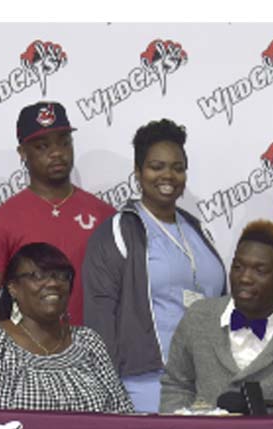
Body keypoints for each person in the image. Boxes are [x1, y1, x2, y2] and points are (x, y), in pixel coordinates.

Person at [83, 118, 227, 413]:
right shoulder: (119, 231)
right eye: (156, 166)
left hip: (205, 384)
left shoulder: (198, 229)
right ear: (138, 172)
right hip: (146, 384)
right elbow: (100, 319)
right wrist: (109, 394)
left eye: (177, 167)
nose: (168, 176)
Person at [0, 101, 114, 328]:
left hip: (94, 344)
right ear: (22, 153)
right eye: (42, 146)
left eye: (64, 142)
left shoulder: (104, 215)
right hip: (28, 346)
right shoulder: (1, 221)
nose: (57, 153)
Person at [160, 220, 273, 412]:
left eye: (260, 271)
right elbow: (176, 386)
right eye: (238, 267)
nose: (244, 278)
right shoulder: (198, 318)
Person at [0, 243, 132, 414]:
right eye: (38, 276)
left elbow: (122, 412)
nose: (53, 283)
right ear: (13, 288)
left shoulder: (88, 341)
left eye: (62, 276)